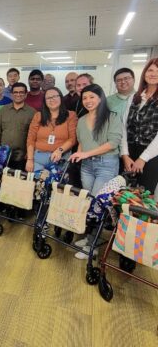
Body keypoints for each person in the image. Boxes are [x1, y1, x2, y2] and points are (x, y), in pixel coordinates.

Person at [70, 84, 122, 259]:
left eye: (92, 97)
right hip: (87, 166)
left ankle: (93, 246)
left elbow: (113, 143)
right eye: (84, 98)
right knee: (89, 202)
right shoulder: (81, 120)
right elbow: (82, 142)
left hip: (106, 165)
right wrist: (80, 154)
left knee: (96, 206)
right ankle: (89, 238)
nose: (88, 101)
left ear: (101, 97)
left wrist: (85, 153)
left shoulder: (112, 117)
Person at [121, 58, 158, 198]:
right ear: (144, 73)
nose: (154, 74)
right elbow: (123, 127)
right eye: (150, 70)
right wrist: (124, 155)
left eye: (157, 71)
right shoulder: (134, 97)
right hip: (130, 151)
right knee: (124, 195)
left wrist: (143, 159)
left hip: (151, 155)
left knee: (144, 196)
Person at [26, 87, 77, 172]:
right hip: (39, 159)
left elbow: (72, 138)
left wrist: (60, 150)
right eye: (48, 98)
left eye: (55, 96)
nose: (51, 99)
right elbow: (30, 139)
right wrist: (30, 159)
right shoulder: (38, 116)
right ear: (45, 101)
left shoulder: (71, 115)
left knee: (55, 185)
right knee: (38, 184)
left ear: (60, 97)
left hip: (59, 158)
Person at [0, 82, 35, 170]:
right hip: (3, 154)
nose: (18, 94)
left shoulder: (32, 113)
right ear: (12, 94)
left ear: (25, 94)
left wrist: (29, 154)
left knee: (18, 181)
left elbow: (34, 135)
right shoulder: (4, 110)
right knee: (1, 180)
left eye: (21, 92)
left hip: (22, 156)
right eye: (15, 92)